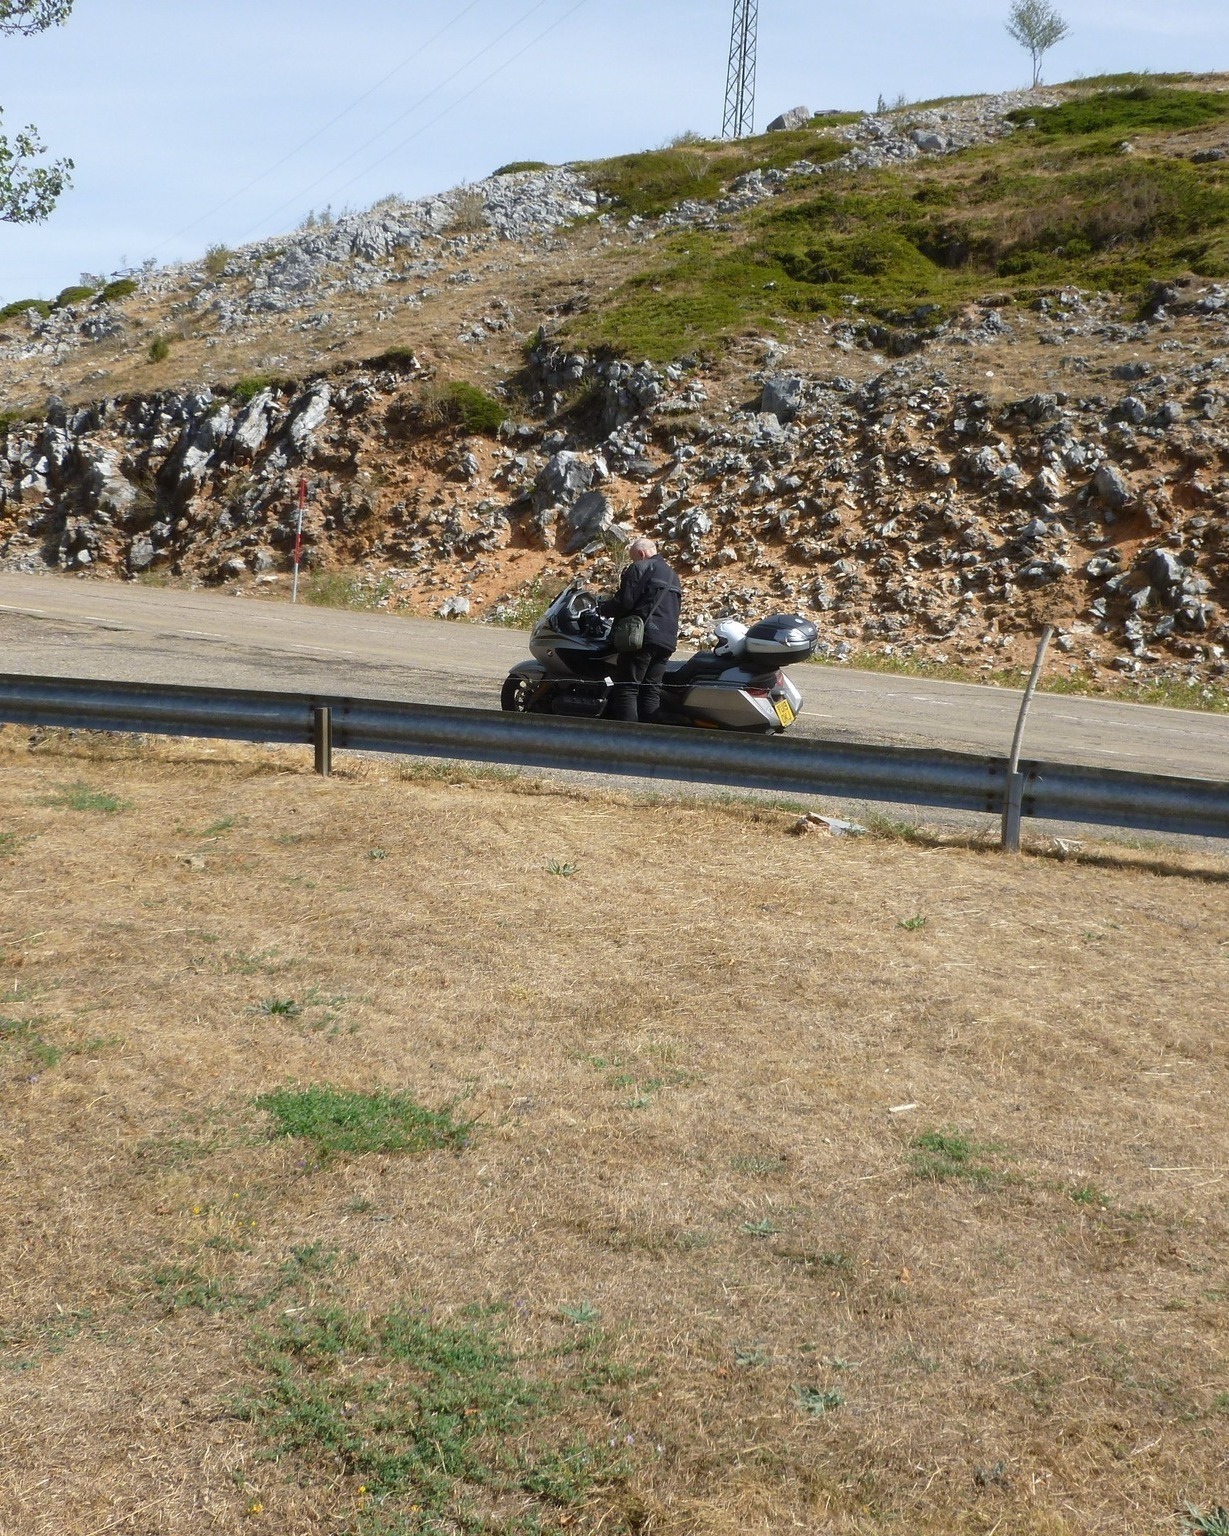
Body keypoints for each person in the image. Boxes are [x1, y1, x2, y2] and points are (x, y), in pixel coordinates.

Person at [604, 537, 683, 723]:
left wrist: (601, 609)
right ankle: (649, 740)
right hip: (667, 641)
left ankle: (627, 741)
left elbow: (625, 602)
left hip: (642, 638)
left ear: (641, 554)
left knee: (627, 687)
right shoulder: (674, 575)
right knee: (650, 690)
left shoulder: (641, 567)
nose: (634, 562)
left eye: (634, 558)